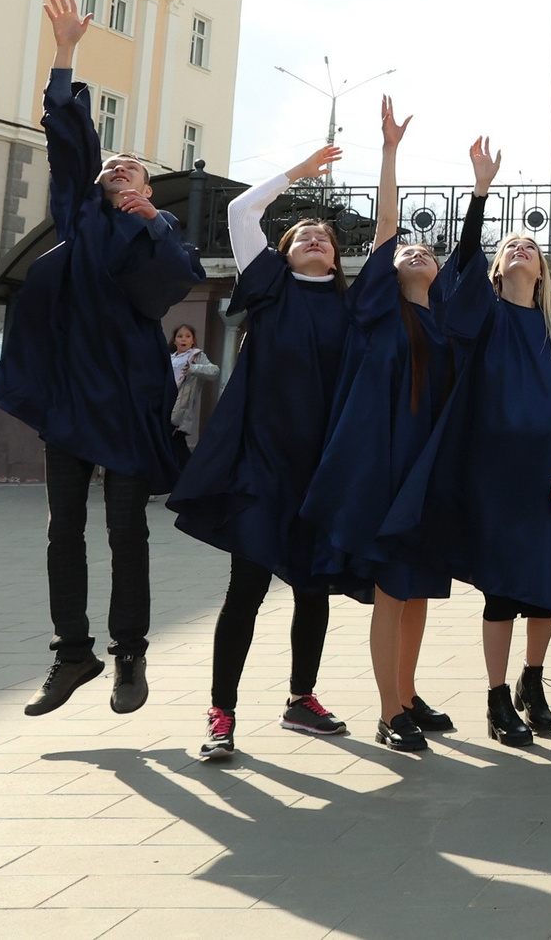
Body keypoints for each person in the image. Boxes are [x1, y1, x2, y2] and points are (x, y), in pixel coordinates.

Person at [0, 0, 204, 717]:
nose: (119, 168)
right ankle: (72, 652)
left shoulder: (163, 235)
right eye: (112, 166)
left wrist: (156, 224)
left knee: (126, 530)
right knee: (63, 529)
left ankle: (129, 654)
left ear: (149, 188)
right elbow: (69, 140)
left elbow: (172, 283)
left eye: (132, 168)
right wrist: (64, 53)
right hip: (72, 397)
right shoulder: (79, 218)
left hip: (131, 400)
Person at [170, 139, 364, 762]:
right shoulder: (272, 284)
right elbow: (241, 212)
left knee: (312, 589)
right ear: (282, 253)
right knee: (245, 590)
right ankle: (221, 713)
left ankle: (301, 700)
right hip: (261, 465)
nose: (315, 239)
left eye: (325, 237)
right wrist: (299, 173)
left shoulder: (350, 307)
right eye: (303, 234)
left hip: (318, 470)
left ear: (336, 259)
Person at [386, 137, 551, 748]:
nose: (521, 248)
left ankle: (532, 679)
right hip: (492, 473)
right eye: (510, 246)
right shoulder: (483, 315)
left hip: (548, 473)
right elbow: (463, 263)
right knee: (502, 589)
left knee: (547, 588)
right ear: (497, 270)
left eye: (532, 247)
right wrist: (479, 194)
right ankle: (497, 699)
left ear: (542, 270)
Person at [302, 102, 469, 753]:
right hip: (384, 468)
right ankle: (387, 710)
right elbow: (388, 227)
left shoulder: (444, 325)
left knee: (419, 588)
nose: (416, 251)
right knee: (393, 588)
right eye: (407, 252)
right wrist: (390, 151)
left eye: (427, 251)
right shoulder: (376, 310)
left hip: (428, 470)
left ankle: (407, 692)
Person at [169, 325, 220, 453]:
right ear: (174, 341)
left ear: (193, 340)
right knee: (171, 442)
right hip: (167, 401)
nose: (183, 339)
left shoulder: (196, 356)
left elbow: (214, 371)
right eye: (180, 336)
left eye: (187, 336)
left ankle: (185, 465)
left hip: (182, 406)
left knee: (177, 440)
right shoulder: (170, 358)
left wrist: (194, 369)